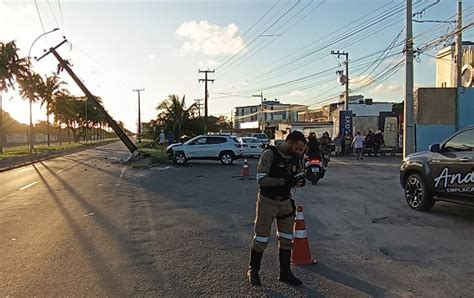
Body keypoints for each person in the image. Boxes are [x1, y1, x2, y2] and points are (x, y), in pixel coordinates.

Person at [248, 131, 307, 287]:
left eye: (302, 149)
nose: (299, 152)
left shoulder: (296, 157)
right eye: (298, 148)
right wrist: (284, 181)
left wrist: (299, 181)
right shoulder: (269, 154)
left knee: (287, 238)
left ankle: (285, 273)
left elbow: (299, 174)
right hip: (267, 202)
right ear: (289, 142)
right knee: (261, 238)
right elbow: (261, 180)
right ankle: (253, 272)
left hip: (285, 202)